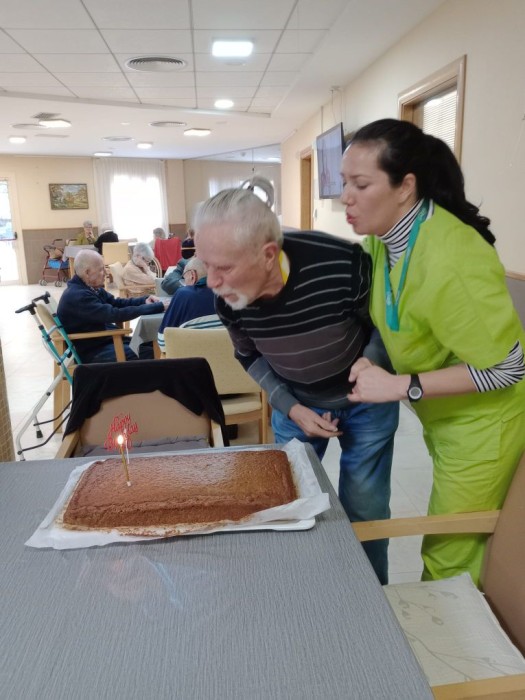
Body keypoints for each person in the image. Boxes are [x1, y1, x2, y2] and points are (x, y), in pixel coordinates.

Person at [340, 118, 525, 585]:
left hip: (484, 426)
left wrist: (402, 386)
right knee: (458, 547)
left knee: (447, 557)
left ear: (405, 187)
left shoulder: (451, 256)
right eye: (344, 183)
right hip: (445, 419)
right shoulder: (384, 241)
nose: (346, 197)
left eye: (360, 184)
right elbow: (400, 320)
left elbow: (509, 367)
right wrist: (373, 359)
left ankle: (460, 633)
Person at [194, 175, 399, 584]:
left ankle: (372, 595)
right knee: (285, 506)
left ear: (268, 255)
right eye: (205, 264)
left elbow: (384, 326)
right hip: (296, 405)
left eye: (224, 267)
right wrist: (291, 407)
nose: (211, 282)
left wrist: (371, 365)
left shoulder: (343, 263)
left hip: (367, 404)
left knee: (366, 508)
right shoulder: (228, 298)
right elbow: (248, 355)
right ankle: (295, 590)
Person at [58, 249, 168, 362]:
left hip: (103, 340)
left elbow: (116, 303)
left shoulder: (90, 288)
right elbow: (114, 314)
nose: (106, 273)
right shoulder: (78, 296)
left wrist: (144, 301)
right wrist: (156, 307)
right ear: (87, 272)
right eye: (101, 269)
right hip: (93, 351)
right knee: (153, 352)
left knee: (156, 343)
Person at [157, 257, 216, 351]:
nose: (185, 282)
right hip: (231, 359)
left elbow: (163, 343)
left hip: (193, 359)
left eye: (185, 278)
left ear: (192, 275)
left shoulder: (184, 294)